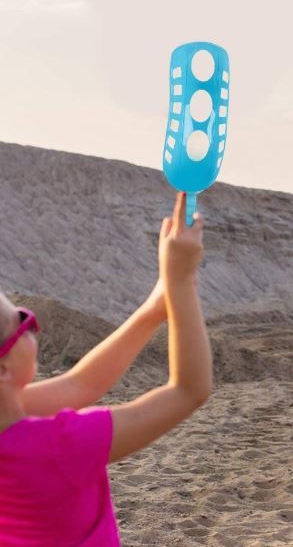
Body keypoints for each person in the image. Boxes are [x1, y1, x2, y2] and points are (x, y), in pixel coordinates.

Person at [0, 192, 212, 546]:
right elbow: (189, 390)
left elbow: (78, 386)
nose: (32, 325)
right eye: (21, 321)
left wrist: (153, 311)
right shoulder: (60, 447)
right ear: (4, 368)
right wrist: (180, 284)